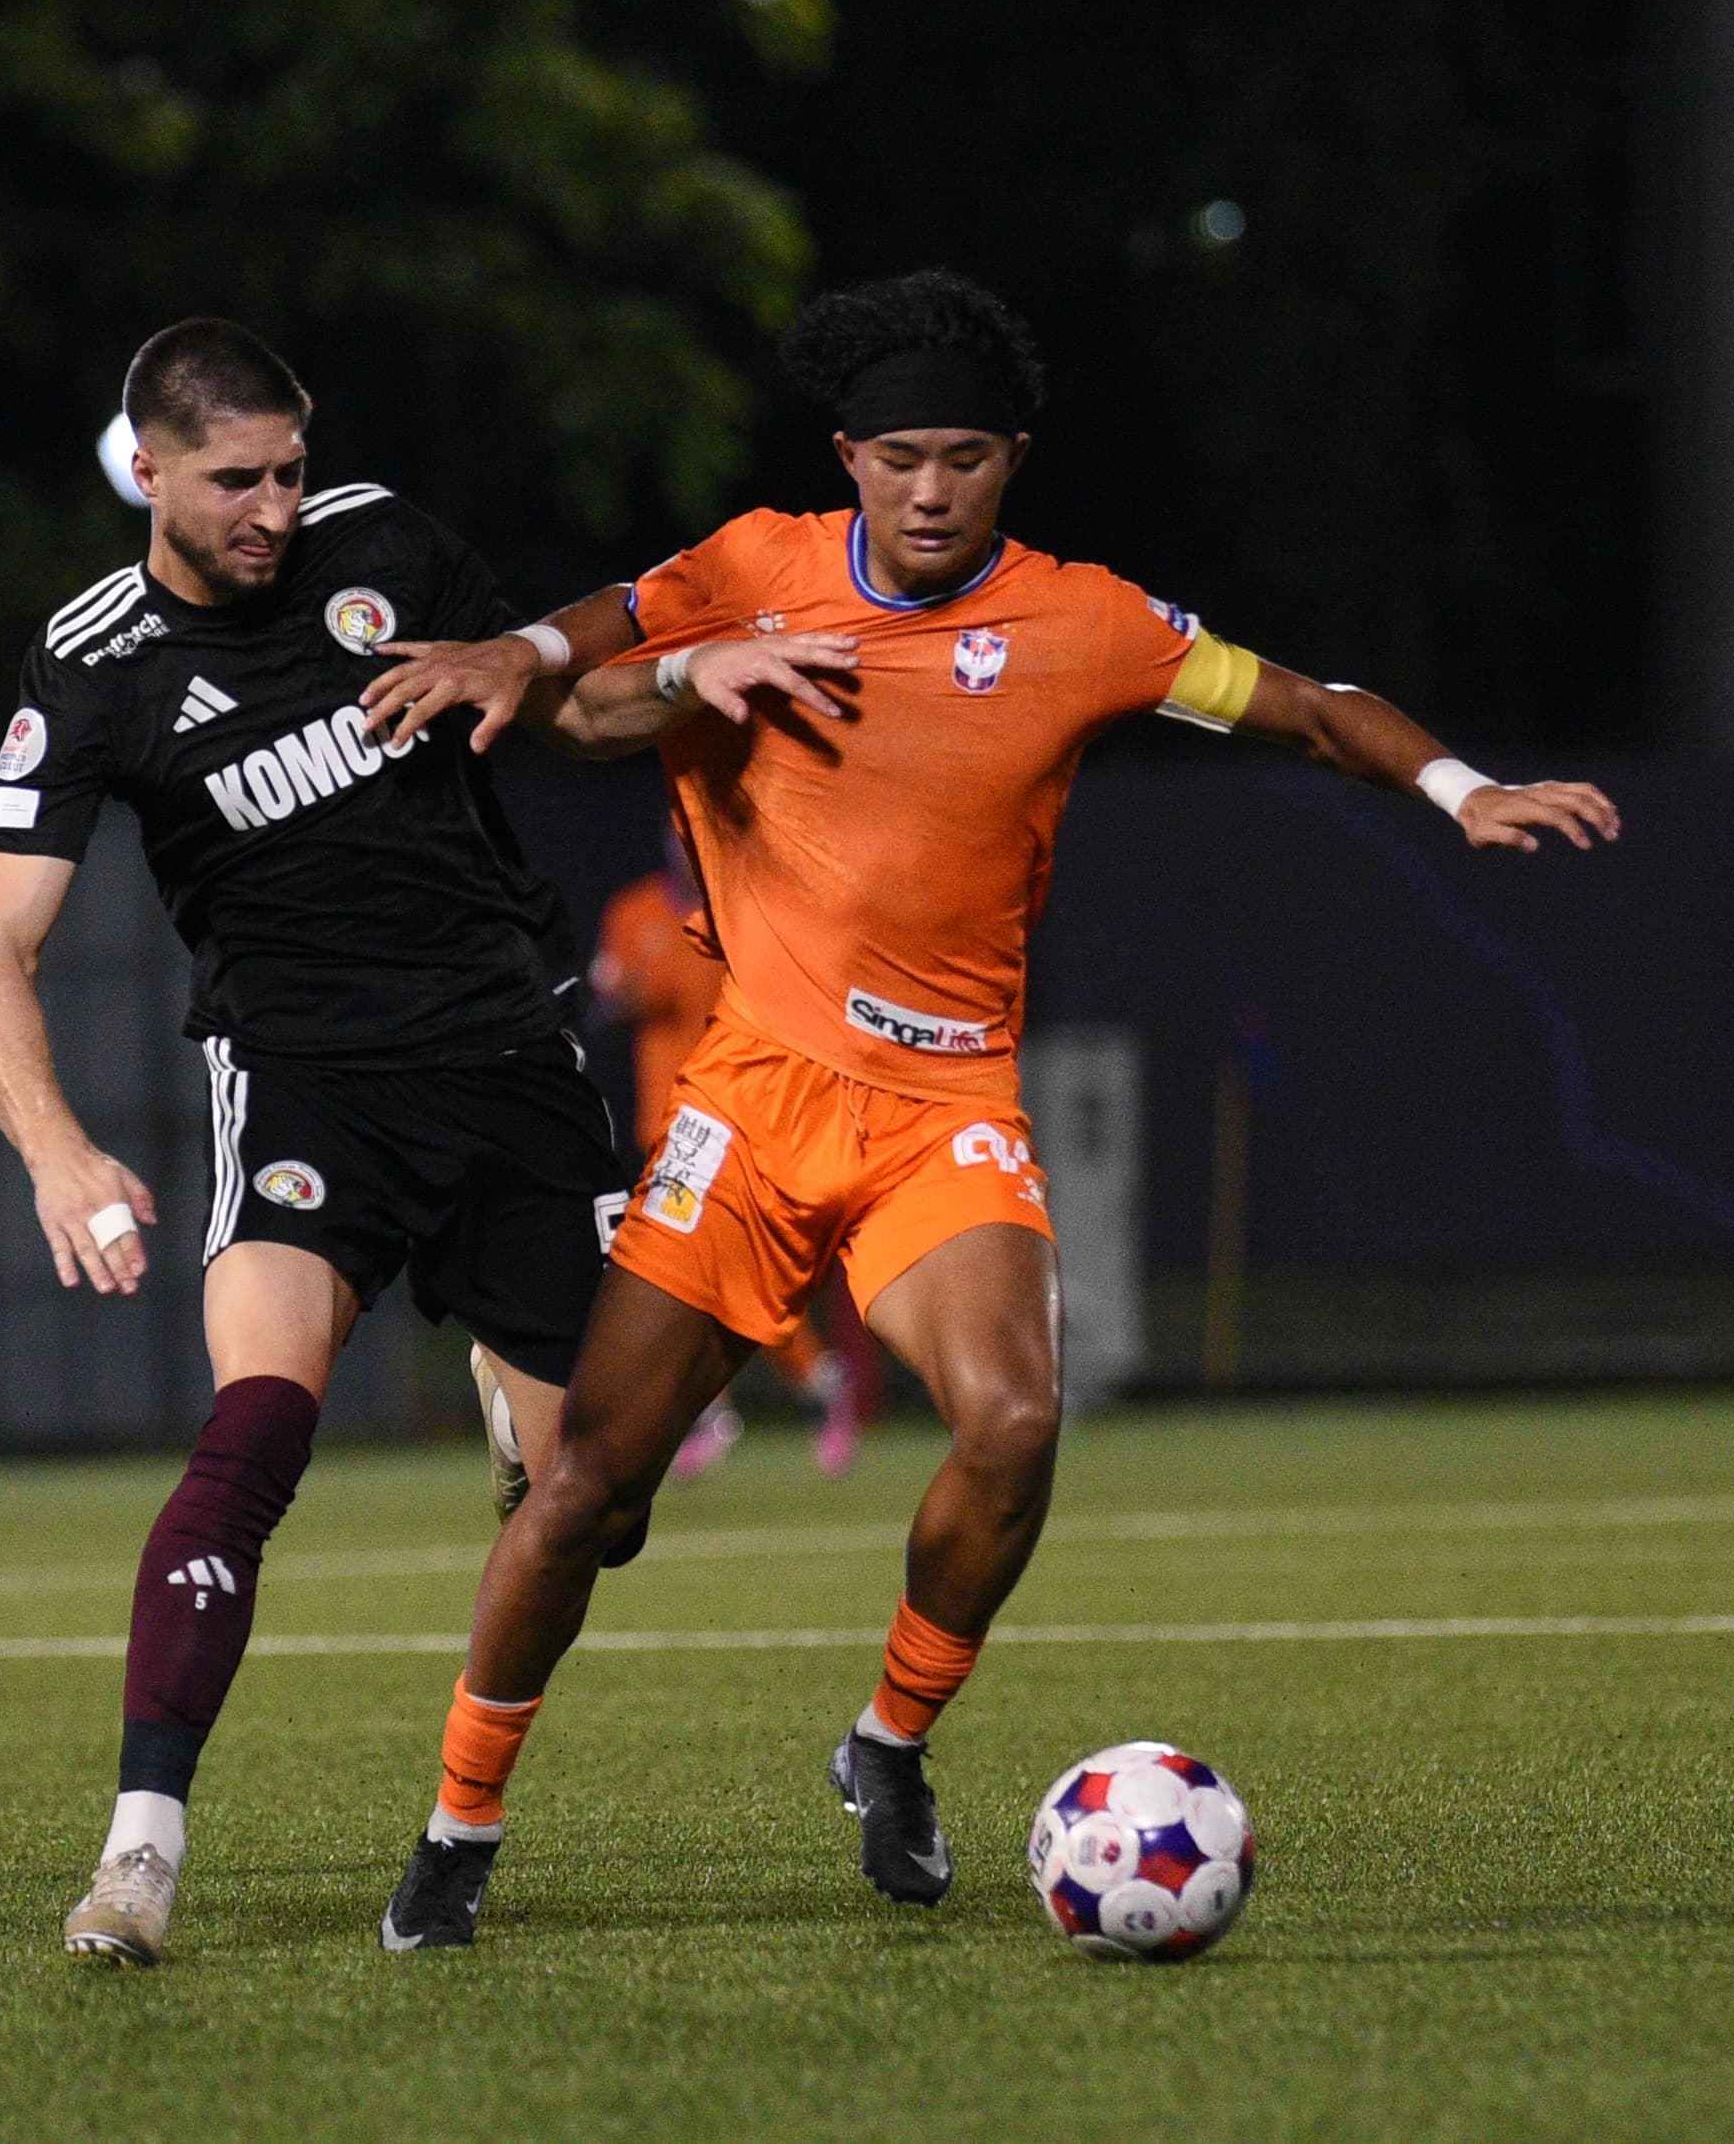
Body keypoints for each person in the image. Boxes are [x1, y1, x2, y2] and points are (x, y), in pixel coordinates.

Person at [354, 269, 1620, 1948]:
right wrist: (588, 659)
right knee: (587, 1489)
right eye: (898, 459)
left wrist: (1460, 788)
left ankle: (887, 1742)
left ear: (1011, 460)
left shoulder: (1086, 623)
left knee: (1014, 1422)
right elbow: (591, 664)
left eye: (963, 457)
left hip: (939, 1109)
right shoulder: (757, 563)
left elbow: (1308, 708)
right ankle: (457, 1826)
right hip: (753, 1102)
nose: (930, 489)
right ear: (848, 461)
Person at [0, 318, 648, 1969]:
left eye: (287, 470)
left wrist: (678, 683)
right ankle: (138, 1855)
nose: (273, 508)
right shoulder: (94, 659)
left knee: (597, 1502)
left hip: (507, 1060)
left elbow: (566, 712)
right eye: (233, 481)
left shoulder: (385, 543)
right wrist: (56, 1151)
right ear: (146, 470)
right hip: (302, 1084)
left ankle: (516, 1393)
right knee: (253, 1434)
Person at [590, 832, 867, 1478]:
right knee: (690, 1274)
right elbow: (607, 1001)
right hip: (669, 1125)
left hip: (742, 1117)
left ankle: (795, 1389)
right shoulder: (634, 911)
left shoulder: (746, 908)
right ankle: (768, 1397)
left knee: (729, 1272)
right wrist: (633, 993)